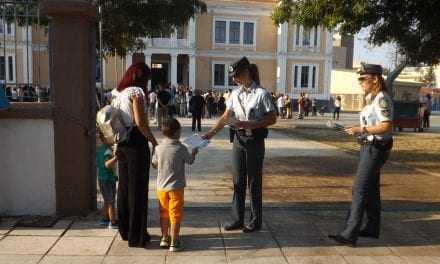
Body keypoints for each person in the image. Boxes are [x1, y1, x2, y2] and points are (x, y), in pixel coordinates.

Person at [202, 57, 277, 233]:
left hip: (254, 141)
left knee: (254, 182)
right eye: (233, 77)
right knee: (237, 181)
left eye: (236, 75)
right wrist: (210, 133)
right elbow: (226, 116)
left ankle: (255, 220)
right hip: (238, 140)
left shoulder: (261, 94)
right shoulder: (235, 94)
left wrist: (249, 124)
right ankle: (237, 219)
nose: (234, 79)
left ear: (246, 73)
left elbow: (272, 118)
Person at [328, 64, 393, 246]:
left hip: (376, 147)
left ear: (375, 79)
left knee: (359, 188)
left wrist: (361, 129)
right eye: (360, 79)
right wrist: (356, 129)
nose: (360, 83)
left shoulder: (381, 99)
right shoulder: (372, 98)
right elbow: (372, 122)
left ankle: (349, 233)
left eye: (363, 79)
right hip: (369, 145)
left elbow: (386, 125)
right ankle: (372, 228)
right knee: (371, 189)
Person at [114, 62, 159, 248]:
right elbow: (140, 123)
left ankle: (125, 230)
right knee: (138, 190)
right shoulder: (136, 93)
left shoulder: (119, 94)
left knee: (123, 189)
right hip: (136, 143)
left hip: (122, 143)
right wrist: (154, 141)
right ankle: (137, 235)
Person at [152, 118, 198, 252]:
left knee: (164, 213)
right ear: (177, 132)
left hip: (161, 188)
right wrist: (194, 153)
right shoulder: (181, 148)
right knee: (175, 214)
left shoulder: (158, 148)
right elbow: (190, 161)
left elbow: (154, 165)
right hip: (176, 188)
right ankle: (175, 240)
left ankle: (164, 238)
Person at [96, 131, 118, 229]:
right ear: (105, 138)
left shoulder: (99, 149)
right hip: (108, 180)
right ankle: (112, 222)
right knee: (111, 202)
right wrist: (117, 157)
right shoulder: (108, 151)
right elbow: (107, 164)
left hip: (102, 178)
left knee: (106, 201)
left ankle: (104, 219)